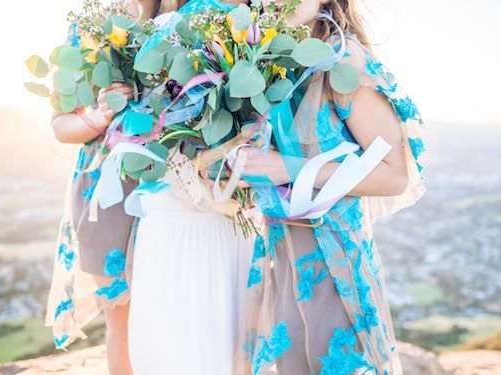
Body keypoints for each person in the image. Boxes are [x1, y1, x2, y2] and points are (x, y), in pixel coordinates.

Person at [237, 0, 430, 373]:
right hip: (282, 251)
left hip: (335, 257)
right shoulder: (262, 61)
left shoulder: (345, 61)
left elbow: (394, 175)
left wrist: (291, 168)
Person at [44, 2, 175, 374]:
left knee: (173, 311)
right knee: (121, 323)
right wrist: (100, 118)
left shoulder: (185, 15)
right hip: (104, 190)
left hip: (171, 184)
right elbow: (60, 126)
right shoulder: (86, 28)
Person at [126, 0, 254, 374]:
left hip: (232, 217)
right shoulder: (167, 29)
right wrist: (188, 171)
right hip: (177, 211)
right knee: (179, 342)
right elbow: (144, 122)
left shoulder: (258, 28)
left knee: (226, 342)